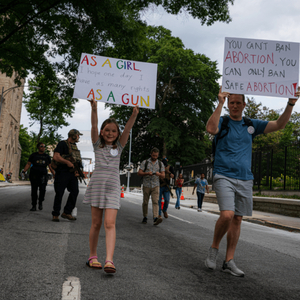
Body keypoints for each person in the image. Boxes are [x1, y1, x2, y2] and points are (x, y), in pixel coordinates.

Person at [204, 86, 299, 277]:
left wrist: (290, 104)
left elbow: (279, 125)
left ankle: (229, 260)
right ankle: (214, 249)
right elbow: (210, 129)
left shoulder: (250, 124)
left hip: (245, 178)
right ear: (228, 104)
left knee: (237, 218)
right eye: (232, 103)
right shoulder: (223, 121)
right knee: (227, 215)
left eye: (238, 103)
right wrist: (220, 103)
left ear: (244, 104)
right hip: (223, 175)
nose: (235, 106)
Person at [83, 99, 139, 274]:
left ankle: (109, 260)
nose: (110, 133)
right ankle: (93, 256)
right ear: (101, 131)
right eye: (107, 130)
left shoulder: (120, 146)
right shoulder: (96, 144)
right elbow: (93, 126)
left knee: (110, 223)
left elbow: (128, 128)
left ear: (118, 133)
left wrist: (134, 114)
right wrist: (94, 108)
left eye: (114, 130)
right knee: (96, 223)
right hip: (97, 186)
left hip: (113, 187)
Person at [51, 129, 83, 222]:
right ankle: (55, 214)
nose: (78, 137)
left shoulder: (75, 146)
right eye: (78, 135)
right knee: (59, 193)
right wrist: (67, 162)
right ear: (73, 136)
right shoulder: (62, 144)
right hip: (62, 173)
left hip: (72, 174)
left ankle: (67, 212)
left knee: (75, 191)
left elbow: (77, 160)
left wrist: (77, 171)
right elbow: (56, 156)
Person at [23, 142, 54, 211]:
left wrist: (54, 173)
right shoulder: (33, 155)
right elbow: (28, 163)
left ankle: (40, 202)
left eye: (44, 146)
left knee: (42, 190)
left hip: (43, 175)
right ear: (38, 147)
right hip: (34, 174)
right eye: (41, 146)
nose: (43, 147)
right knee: (34, 190)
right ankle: (34, 205)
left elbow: (50, 166)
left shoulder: (47, 156)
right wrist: (24, 171)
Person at [138, 148, 165, 225]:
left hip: (156, 185)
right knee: (145, 202)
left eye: (156, 156)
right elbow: (139, 173)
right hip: (146, 184)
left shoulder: (160, 164)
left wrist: (159, 174)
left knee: (155, 201)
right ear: (151, 154)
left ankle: (155, 217)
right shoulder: (145, 162)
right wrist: (147, 173)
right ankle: (145, 216)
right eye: (153, 155)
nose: (155, 157)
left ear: (158, 155)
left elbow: (163, 175)